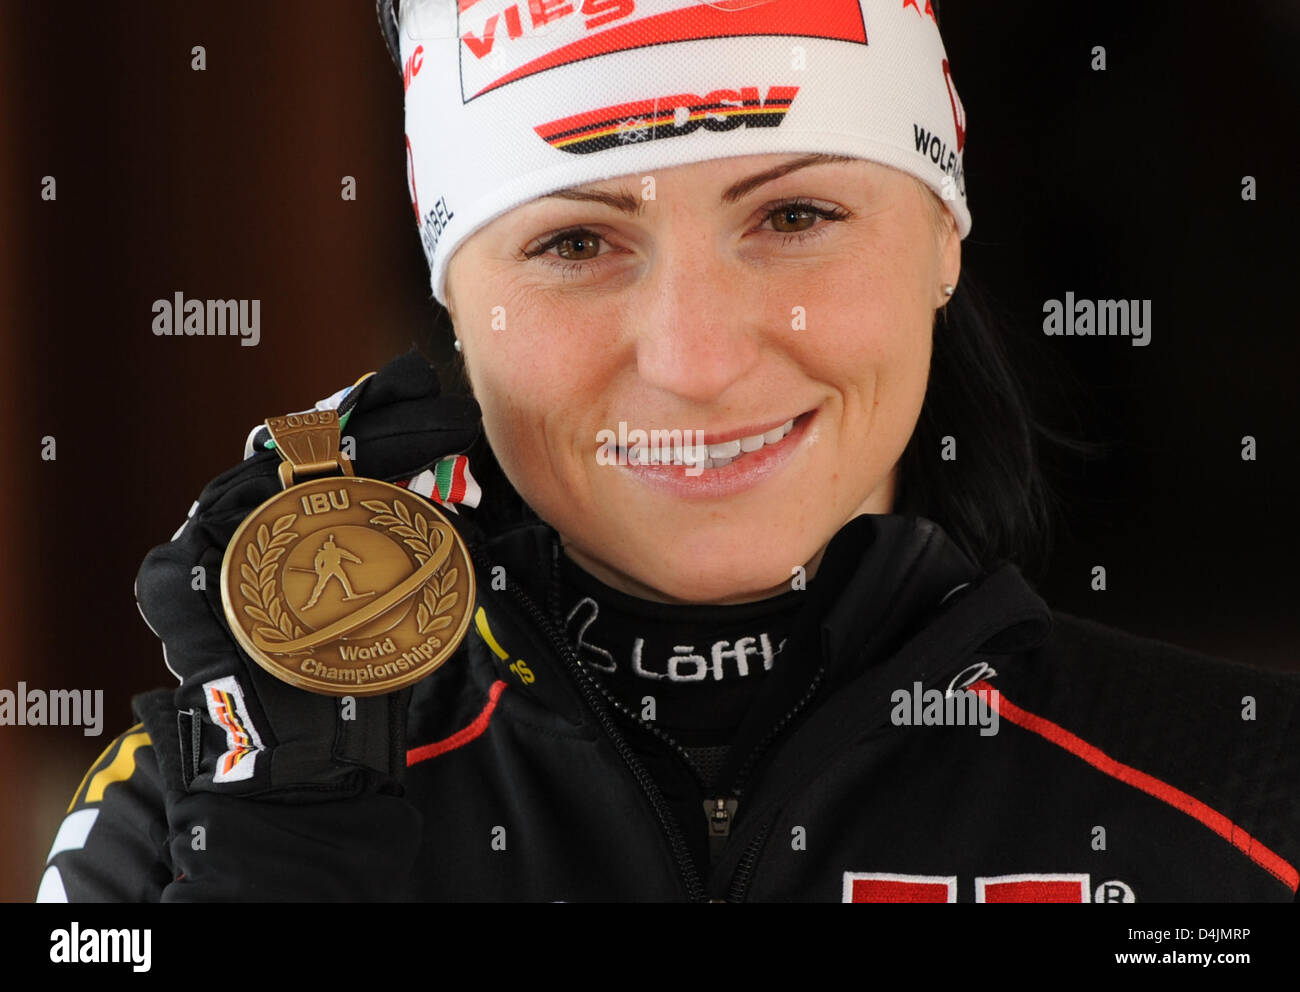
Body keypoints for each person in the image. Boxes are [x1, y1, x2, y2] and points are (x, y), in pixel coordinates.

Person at [38, 0, 1300, 903]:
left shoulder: (1249, 786)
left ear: (940, 237)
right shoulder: (199, 805)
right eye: (575, 244)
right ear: (453, 309)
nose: (694, 358)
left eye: (796, 213)